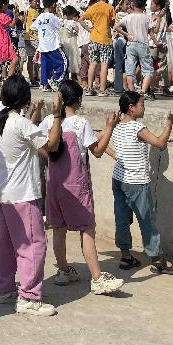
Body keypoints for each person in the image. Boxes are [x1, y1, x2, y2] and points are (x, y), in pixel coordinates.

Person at [0, 75, 62, 316]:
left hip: (3, 194)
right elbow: (51, 147)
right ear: (25, 100)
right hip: (23, 195)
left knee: (4, 244)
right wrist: (57, 115)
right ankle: (29, 296)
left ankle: (3, 288)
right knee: (32, 245)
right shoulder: (20, 124)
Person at [35, 80, 124, 294]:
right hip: (76, 185)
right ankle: (97, 278)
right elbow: (97, 151)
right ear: (78, 100)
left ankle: (64, 271)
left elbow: (37, 144)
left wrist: (50, 158)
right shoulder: (80, 123)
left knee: (58, 228)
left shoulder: (49, 120)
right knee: (86, 229)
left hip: (54, 183)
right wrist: (110, 128)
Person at [93, 91, 173, 275]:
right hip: (137, 183)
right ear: (131, 108)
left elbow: (94, 139)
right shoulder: (137, 128)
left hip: (118, 180)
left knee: (122, 219)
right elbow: (160, 143)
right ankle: (157, 260)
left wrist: (115, 155)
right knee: (147, 222)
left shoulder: (115, 126)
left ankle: (125, 256)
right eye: (142, 104)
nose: (144, 108)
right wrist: (170, 121)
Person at [114, 0, 155, 95]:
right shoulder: (147, 17)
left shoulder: (128, 17)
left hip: (131, 45)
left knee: (130, 70)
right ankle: (143, 92)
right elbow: (151, 32)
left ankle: (132, 92)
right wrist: (156, 42)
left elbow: (116, 27)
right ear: (145, 4)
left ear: (132, 4)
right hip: (143, 45)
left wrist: (127, 34)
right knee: (148, 70)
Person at [82, 0, 115, 96]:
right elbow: (112, 23)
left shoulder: (92, 8)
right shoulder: (110, 8)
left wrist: (89, 29)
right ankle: (102, 89)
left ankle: (89, 88)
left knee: (92, 64)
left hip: (93, 39)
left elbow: (81, 19)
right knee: (104, 65)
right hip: (105, 39)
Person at [31, 0, 66, 92]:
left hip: (43, 46)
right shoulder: (52, 16)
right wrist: (59, 14)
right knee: (63, 63)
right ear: (53, 5)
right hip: (53, 45)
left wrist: (39, 37)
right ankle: (55, 80)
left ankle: (45, 84)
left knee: (45, 65)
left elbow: (32, 28)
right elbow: (61, 24)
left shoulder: (40, 17)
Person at [111, 0, 130, 94]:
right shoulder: (125, 14)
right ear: (121, 5)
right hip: (122, 40)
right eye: (126, 4)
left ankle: (118, 87)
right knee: (124, 65)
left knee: (118, 64)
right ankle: (125, 86)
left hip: (117, 40)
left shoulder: (117, 14)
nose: (128, 6)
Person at [60, 6, 82, 82]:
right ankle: (75, 79)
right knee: (73, 62)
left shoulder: (61, 21)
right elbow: (77, 29)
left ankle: (65, 79)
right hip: (71, 43)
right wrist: (74, 32)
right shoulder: (71, 22)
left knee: (64, 61)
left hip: (62, 43)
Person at [24, 0, 41, 86]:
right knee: (42, 56)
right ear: (30, 2)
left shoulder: (28, 11)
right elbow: (36, 25)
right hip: (34, 37)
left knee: (30, 59)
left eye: (38, 1)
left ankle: (32, 78)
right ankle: (41, 77)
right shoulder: (34, 12)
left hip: (27, 37)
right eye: (36, 1)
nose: (38, 3)